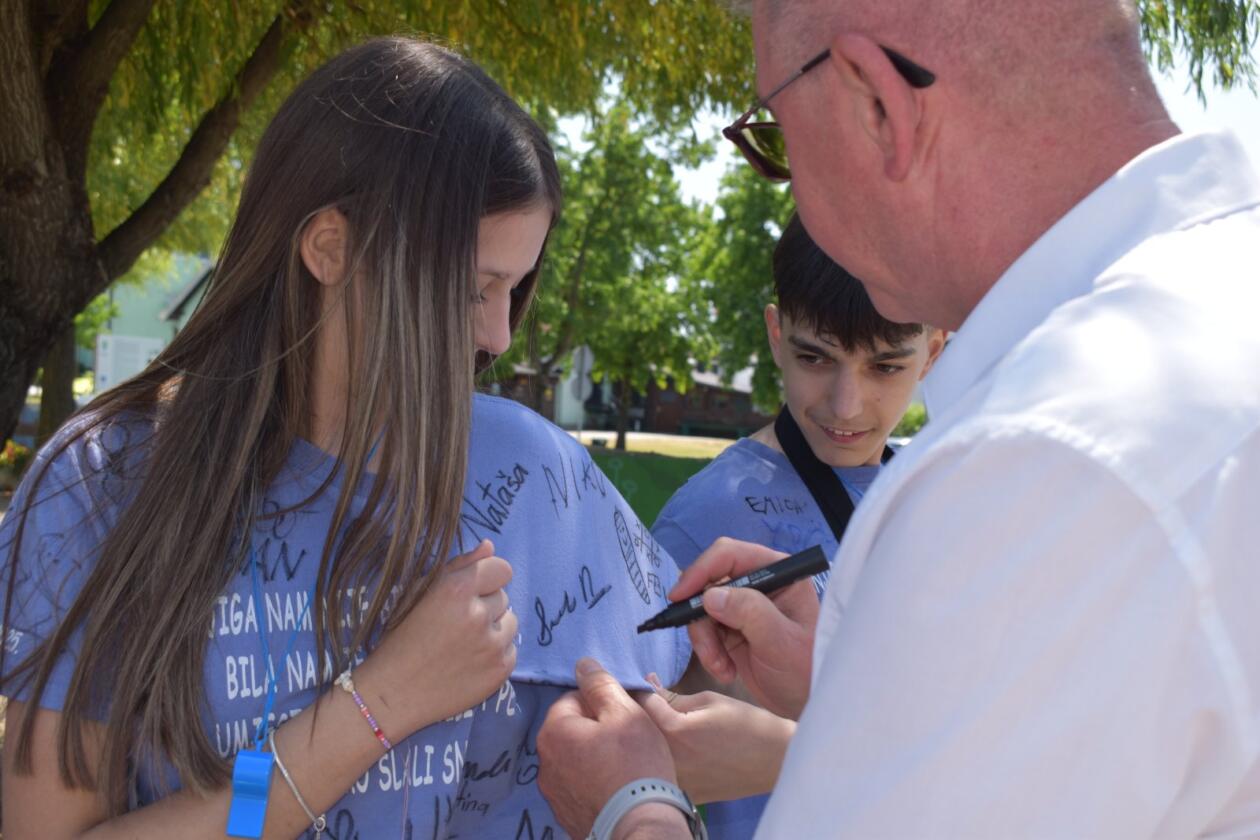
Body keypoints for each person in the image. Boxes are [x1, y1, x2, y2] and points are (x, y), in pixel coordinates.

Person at [536, 1, 1260, 837]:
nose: (795, 186)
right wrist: (851, 681)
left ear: (877, 104)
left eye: (774, 137)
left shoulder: (1034, 461)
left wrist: (633, 809)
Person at [0, 37, 689, 839]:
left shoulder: (533, 470)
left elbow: (649, 744)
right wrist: (380, 704)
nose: (499, 335)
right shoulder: (103, 482)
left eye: (517, 286)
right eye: (474, 288)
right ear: (329, 247)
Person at [650, 213, 942, 837]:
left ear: (933, 354)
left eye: (886, 367)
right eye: (815, 357)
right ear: (776, 334)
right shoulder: (704, 519)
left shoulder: (946, 492)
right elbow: (636, 750)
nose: (846, 404)